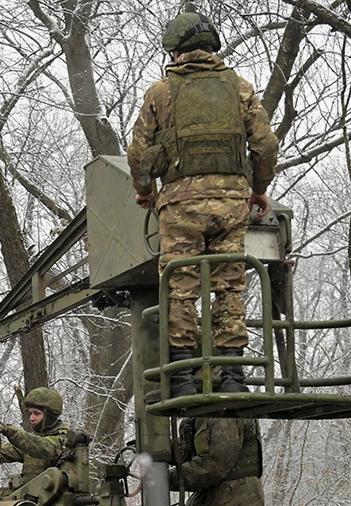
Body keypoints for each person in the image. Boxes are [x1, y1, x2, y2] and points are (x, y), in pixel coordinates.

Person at [127, 11, 279, 396]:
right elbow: (265, 145)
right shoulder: (239, 88)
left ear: (175, 51)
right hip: (231, 204)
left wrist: (145, 191)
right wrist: (258, 188)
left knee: (180, 286)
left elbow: (138, 153)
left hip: (180, 206)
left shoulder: (160, 92)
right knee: (230, 286)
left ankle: (181, 379)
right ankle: (233, 377)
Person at [170, 416, 265, 506]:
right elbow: (190, 452)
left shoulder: (224, 415)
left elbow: (214, 464)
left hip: (231, 505)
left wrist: (168, 478)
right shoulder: (201, 415)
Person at [0, 387, 69, 484]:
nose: (31, 418)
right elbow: (0, 452)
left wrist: (8, 430)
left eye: (36, 414)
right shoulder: (30, 442)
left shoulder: (65, 440)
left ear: (49, 416)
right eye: (30, 413)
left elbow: (42, 447)